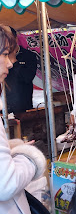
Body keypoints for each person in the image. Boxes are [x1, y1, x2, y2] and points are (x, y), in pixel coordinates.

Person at [0, 25, 47, 213]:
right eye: (4, 54)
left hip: (23, 104)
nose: (10, 63)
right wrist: (30, 156)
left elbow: (28, 77)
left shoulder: (28, 56)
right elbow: (6, 183)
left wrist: (11, 148)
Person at [5, 26, 38, 113]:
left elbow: (28, 77)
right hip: (4, 106)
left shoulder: (29, 56)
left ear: (16, 39)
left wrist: (14, 61)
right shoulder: (2, 57)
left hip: (24, 106)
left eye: (9, 39)